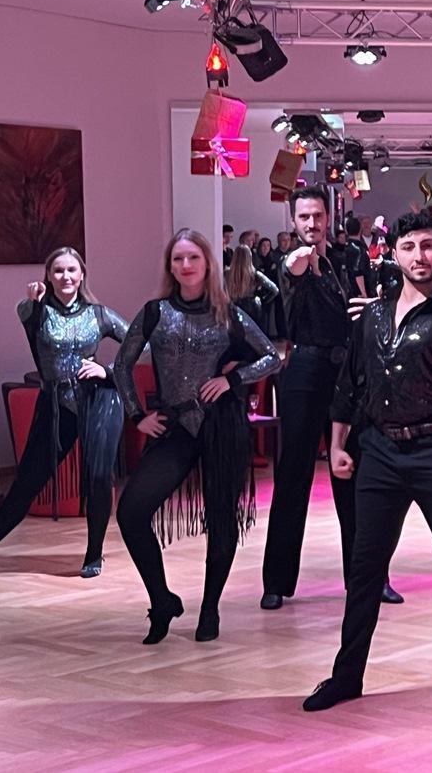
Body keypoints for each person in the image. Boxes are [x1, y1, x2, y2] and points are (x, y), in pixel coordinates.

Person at [302, 212, 432, 712]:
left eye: (428, 245)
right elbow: (349, 386)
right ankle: (346, 675)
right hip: (378, 452)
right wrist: (338, 445)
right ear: (394, 254)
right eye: (409, 247)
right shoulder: (373, 317)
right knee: (365, 568)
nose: (419, 256)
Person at [114, 229, 280, 643]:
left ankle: (210, 609)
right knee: (132, 512)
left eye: (193, 258)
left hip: (221, 425)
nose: (185, 265)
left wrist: (232, 380)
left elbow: (272, 357)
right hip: (175, 427)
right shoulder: (154, 312)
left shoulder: (228, 313)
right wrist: (137, 416)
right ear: (170, 267)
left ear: (207, 263)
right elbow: (121, 366)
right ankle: (162, 600)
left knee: (221, 518)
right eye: (178, 259)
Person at [260, 186, 402, 610]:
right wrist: (301, 259)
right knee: (293, 475)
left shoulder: (347, 257)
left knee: (355, 477)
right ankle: (276, 581)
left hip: (348, 374)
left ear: (328, 217)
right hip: (304, 372)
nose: (311, 223)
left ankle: (368, 579)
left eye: (317, 216)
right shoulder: (291, 261)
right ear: (293, 221)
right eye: (304, 217)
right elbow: (293, 267)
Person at [0, 248, 127, 580]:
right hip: (56, 405)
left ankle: (94, 554)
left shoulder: (100, 314)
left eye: (72, 270)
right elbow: (25, 312)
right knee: (27, 482)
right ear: (48, 275)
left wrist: (107, 370)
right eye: (58, 270)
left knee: (99, 477)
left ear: (82, 274)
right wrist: (34, 301)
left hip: (98, 401)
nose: (65, 276)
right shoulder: (35, 311)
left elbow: (139, 342)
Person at [226, 245, 280, 335]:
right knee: (254, 337)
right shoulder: (254, 274)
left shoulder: (226, 273)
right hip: (252, 307)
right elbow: (275, 290)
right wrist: (263, 300)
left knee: (236, 335)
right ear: (249, 257)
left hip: (233, 306)